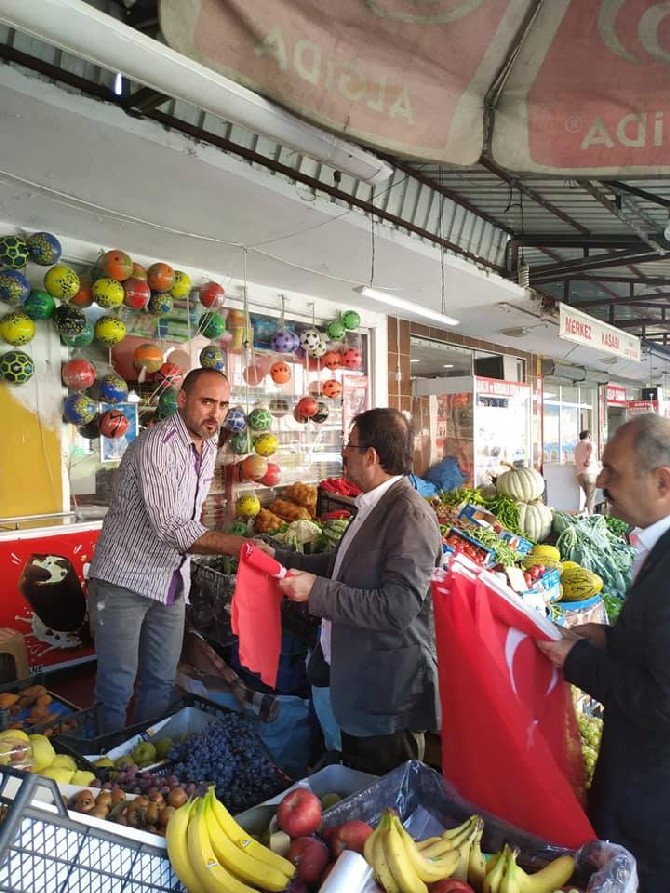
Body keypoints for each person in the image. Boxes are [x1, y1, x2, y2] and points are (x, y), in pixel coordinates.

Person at [537, 413, 670, 893]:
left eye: (613, 471)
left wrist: (576, 660)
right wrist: (608, 640)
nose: (602, 482)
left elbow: (663, 699)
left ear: (662, 481)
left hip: (653, 803)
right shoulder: (655, 546)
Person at [272, 408, 442, 776]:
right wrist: (279, 559)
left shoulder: (408, 516)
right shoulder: (372, 505)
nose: (343, 454)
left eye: (348, 446)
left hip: (386, 696)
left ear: (371, 456)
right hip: (358, 684)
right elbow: (342, 565)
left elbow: (396, 607)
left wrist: (317, 592)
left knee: (387, 804)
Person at [89, 368, 257, 733]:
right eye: (207, 402)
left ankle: (147, 764)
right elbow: (173, 527)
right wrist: (241, 546)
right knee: (117, 686)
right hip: (123, 580)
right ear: (182, 400)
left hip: (170, 582)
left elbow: (188, 515)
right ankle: (106, 768)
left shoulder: (209, 442)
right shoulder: (158, 445)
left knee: (162, 682)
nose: (216, 413)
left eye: (224, 404)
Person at [574, 429, 599, 514]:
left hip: (580, 476)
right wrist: (589, 459)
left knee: (588, 496)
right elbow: (592, 446)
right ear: (589, 436)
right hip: (590, 474)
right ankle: (590, 515)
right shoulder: (588, 443)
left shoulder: (577, 446)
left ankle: (584, 514)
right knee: (591, 497)